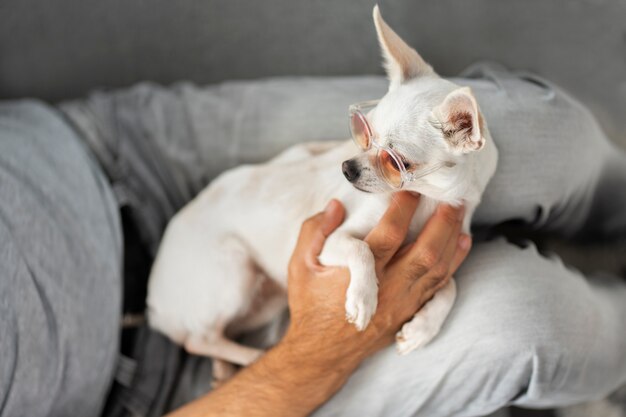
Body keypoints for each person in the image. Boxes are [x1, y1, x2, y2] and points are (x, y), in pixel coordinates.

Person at [1, 64, 625, 417]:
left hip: (111, 154)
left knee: (555, 136)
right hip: (175, 394)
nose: (359, 155)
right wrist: (313, 356)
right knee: (537, 326)